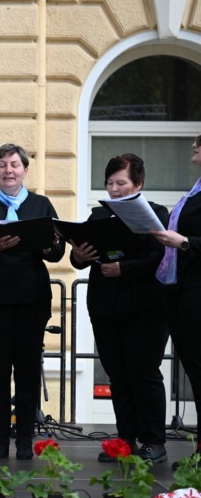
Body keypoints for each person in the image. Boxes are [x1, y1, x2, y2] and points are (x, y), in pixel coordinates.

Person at [0, 143, 64, 460]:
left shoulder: (41, 204)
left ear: (25, 170)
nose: (9, 170)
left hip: (31, 298)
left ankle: (24, 440)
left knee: (28, 371)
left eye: (15, 165)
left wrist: (46, 246)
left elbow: (57, 252)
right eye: (2, 165)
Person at [68, 154, 169, 463]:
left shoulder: (157, 214)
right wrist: (79, 256)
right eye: (109, 183)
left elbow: (160, 258)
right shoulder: (98, 216)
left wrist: (123, 269)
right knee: (118, 376)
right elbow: (78, 258)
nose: (113, 189)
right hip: (105, 307)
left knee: (144, 373)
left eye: (121, 183)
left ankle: (153, 441)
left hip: (145, 308)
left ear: (138, 184)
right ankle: (126, 440)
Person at [152, 134, 201, 466]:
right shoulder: (195, 189)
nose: (194, 146)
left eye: (200, 142)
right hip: (182, 293)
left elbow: (189, 240)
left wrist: (183, 242)